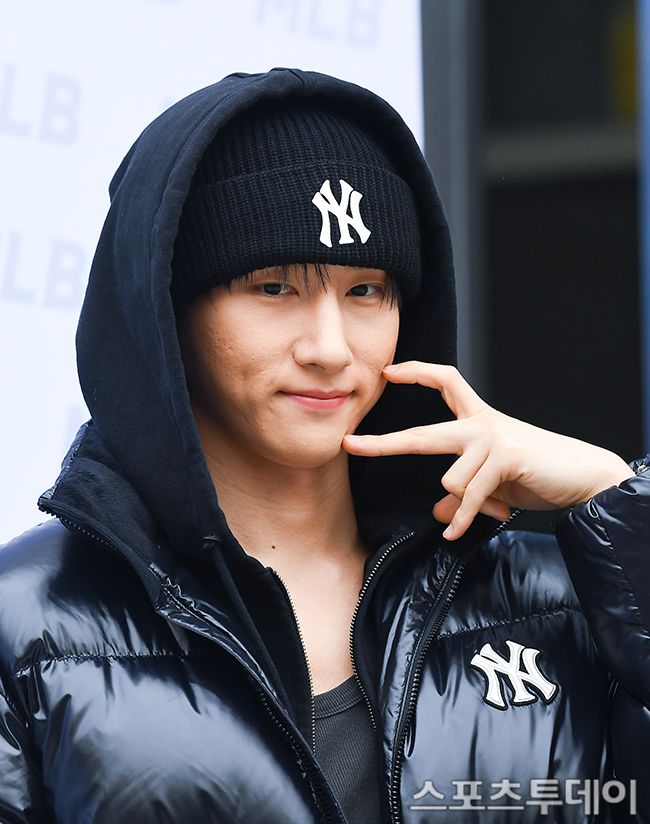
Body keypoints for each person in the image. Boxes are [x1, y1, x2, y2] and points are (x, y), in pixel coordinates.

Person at [0, 66, 647, 824]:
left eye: (365, 290)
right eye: (274, 288)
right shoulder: (26, 623)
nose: (330, 348)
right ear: (166, 313)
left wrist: (620, 504)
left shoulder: (560, 599)